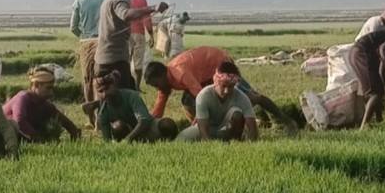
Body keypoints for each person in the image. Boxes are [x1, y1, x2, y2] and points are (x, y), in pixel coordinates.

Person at [143, 45, 296, 134]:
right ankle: (211, 127)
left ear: (163, 74)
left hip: (218, 63)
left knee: (248, 96)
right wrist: (149, 125)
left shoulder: (181, 74)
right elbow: (158, 109)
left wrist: (198, 124)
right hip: (204, 74)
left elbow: (201, 97)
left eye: (156, 84)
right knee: (187, 100)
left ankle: (287, 121)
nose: (158, 88)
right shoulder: (166, 83)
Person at [94, 0, 167, 91]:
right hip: (113, 61)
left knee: (129, 94)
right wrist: (153, 8)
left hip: (110, 58)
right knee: (121, 100)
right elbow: (126, 14)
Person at [176, 61, 259, 142]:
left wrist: (251, 143)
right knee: (180, 140)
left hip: (226, 129)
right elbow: (203, 129)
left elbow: (252, 127)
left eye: (230, 87)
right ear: (216, 82)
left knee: (237, 113)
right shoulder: (204, 96)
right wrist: (210, 147)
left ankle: (234, 142)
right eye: (223, 86)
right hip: (208, 128)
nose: (226, 91)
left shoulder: (242, 97)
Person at [3, 65, 81, 143]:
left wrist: (74, 131)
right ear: (36, 85)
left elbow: (62, 119)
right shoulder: (22, 98)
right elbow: (19, 121)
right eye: (48, 88)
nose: (51, 93)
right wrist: (39, 139)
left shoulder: (44, 104)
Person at [95, 73, 176, 143]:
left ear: (115, 85)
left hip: (146, 130)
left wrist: (127, 140)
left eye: (107, 88)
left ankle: (176, 141)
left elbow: (145, 121)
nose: (104, 94)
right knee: (117, 126)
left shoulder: (131, 96)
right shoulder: (103, 113)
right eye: (100, 91)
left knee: (167, 124)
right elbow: (107, 140)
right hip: (128, 134)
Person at [70, 0, 107, 109]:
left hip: (86, 43)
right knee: (101, 80)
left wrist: (84, 36)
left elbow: (73, 27)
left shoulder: (79, 1)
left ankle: (90, 116)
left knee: (87, 80)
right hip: (104, 43)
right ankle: (101, 114)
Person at [128, 0, 155, 88]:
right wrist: (151, 35)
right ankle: (137, 86)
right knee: (138, 63)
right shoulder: (142, 0)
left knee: (126, 61)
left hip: (126, 35)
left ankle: (126, 85)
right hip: (139, 34)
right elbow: (147, 20)